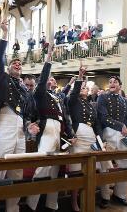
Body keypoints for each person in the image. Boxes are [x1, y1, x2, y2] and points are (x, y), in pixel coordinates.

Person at [0, 21, 39, 212]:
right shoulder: (2, 79)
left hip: (20, 129)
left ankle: (12, 209)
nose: (17, 64)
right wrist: (4, 34)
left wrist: (30, 125)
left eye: (20, 63)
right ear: (9, 68)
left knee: (16, 171)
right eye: (14, 62)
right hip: (4, 123)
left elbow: (28, 112)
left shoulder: (24, 89)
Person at [25, 46, 75, 212]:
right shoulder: (40, 94)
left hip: (59, 131)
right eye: (48, 79)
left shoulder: (58, 97)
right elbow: (42, 80)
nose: (51, 81)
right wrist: (48, 60)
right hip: (46, 128)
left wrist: (70, 134)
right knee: (43, 167)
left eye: (53, 80)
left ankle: (51, 205)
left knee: (55, 168)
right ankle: (31, 204)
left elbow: (65, 117)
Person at [97, 76, 127, 209]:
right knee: (105, 167)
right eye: (110, 82)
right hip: (107, 133)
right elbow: (103, 117)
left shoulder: (126, 101)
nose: (112, 83)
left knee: (125, 165)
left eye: (115, 82)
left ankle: (119, 195)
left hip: (123, 136)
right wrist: (120, 125)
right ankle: (105, 197)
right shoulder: (103, 98)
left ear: (120, 86)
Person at [68, 66, 102, 212]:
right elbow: (74, 91)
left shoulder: (91, 105)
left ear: (88, 91)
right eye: (81, 87)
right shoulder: (73, 101)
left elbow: (97, 125)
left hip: (91, 137)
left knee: (92, 170)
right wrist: (80, 77)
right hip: (78, 136)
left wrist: (100, 141)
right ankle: (74, 201)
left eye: (84, 87)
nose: (82, 88)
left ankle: (88, 197)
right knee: (77, 171)